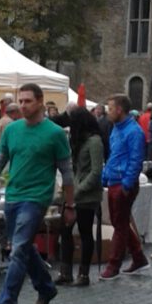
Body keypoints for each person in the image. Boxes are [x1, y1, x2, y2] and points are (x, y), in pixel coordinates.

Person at [0, 83, 73, 304]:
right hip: (13, 195)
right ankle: (46, 288)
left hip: (37, 198)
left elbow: (67, 174)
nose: (22, 105)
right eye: (21, 101)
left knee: (18, 249)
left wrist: (70, 204)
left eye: (28, 101)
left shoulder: (55, 133)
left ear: (40, 102)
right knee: (23, 247)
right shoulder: (12, 130)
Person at [100, 94, 148, 280]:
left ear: (119, 109)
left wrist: (127, 184)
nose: (108, 112)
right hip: (115, 180)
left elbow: (136, 160)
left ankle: (114, 265)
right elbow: (114, 156)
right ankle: (138, 257)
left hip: (123, 183)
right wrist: (106, 176)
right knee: (120, 222)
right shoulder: (117, 129)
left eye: (110, 108)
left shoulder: (133, 131)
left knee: (119, 224)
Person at [55, 108, 104, 287]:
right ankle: (65, 271)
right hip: (74, 193)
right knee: (65, 231)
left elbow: (96, 171)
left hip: (87, 196)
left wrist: (77, 191)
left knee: (84, 233)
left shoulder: (94, 141)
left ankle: (84, 274)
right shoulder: (78, 140)